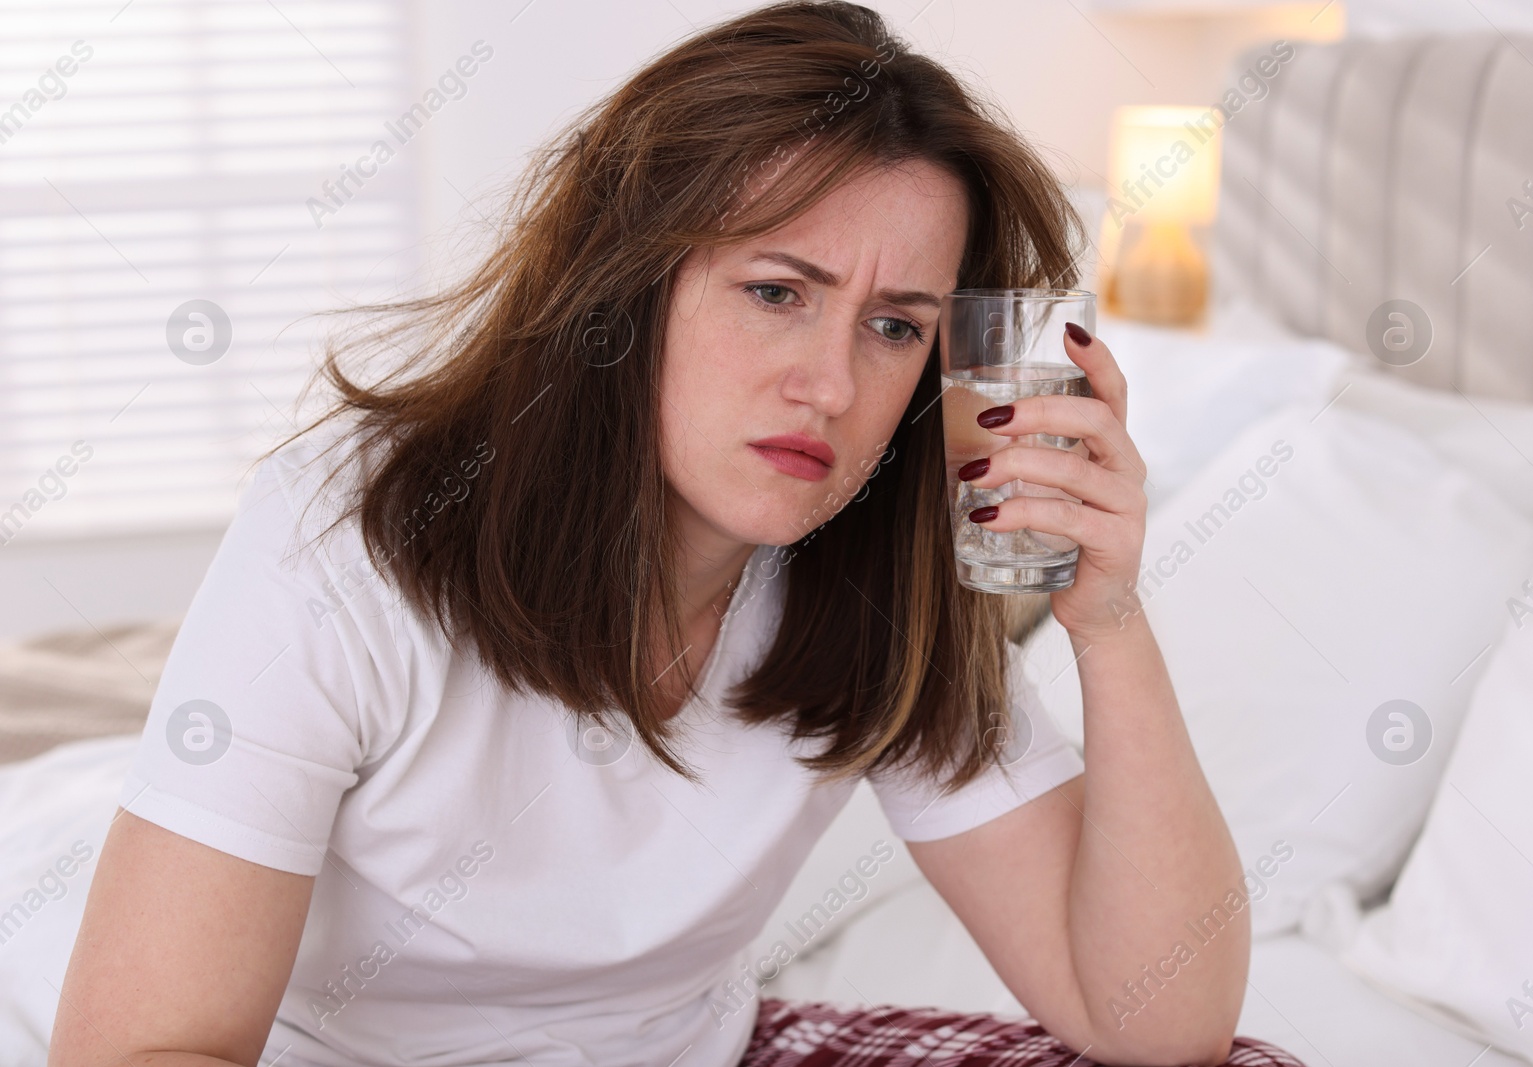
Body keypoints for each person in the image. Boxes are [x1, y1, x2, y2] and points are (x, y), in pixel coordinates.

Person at [49, 4, 1303, 1066]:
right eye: (776, 293)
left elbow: (1161, 1021)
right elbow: (149, 1044)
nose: (829, 384)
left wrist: (1108, 619)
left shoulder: (869, 575)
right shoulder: (356, 532)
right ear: (625, 285)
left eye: (893, 327)